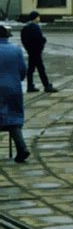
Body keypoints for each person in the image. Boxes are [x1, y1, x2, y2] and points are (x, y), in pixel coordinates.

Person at [0, 25, 30, 163]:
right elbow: (23, 71)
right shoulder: (16, 50)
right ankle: (21, 148)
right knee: (13, 118)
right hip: (13, 88)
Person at [20, 11, 56, 93]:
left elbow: (23, 40)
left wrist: (28, 48)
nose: (39, 18)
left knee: (31, 69)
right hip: (36, 51)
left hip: (30, 51)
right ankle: (46, 86)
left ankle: (30, 86)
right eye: (38, 17)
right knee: (41, 69)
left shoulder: (26, 27)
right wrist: (43, 41)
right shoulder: (35, 27)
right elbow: (39, 39)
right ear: (36, 18)